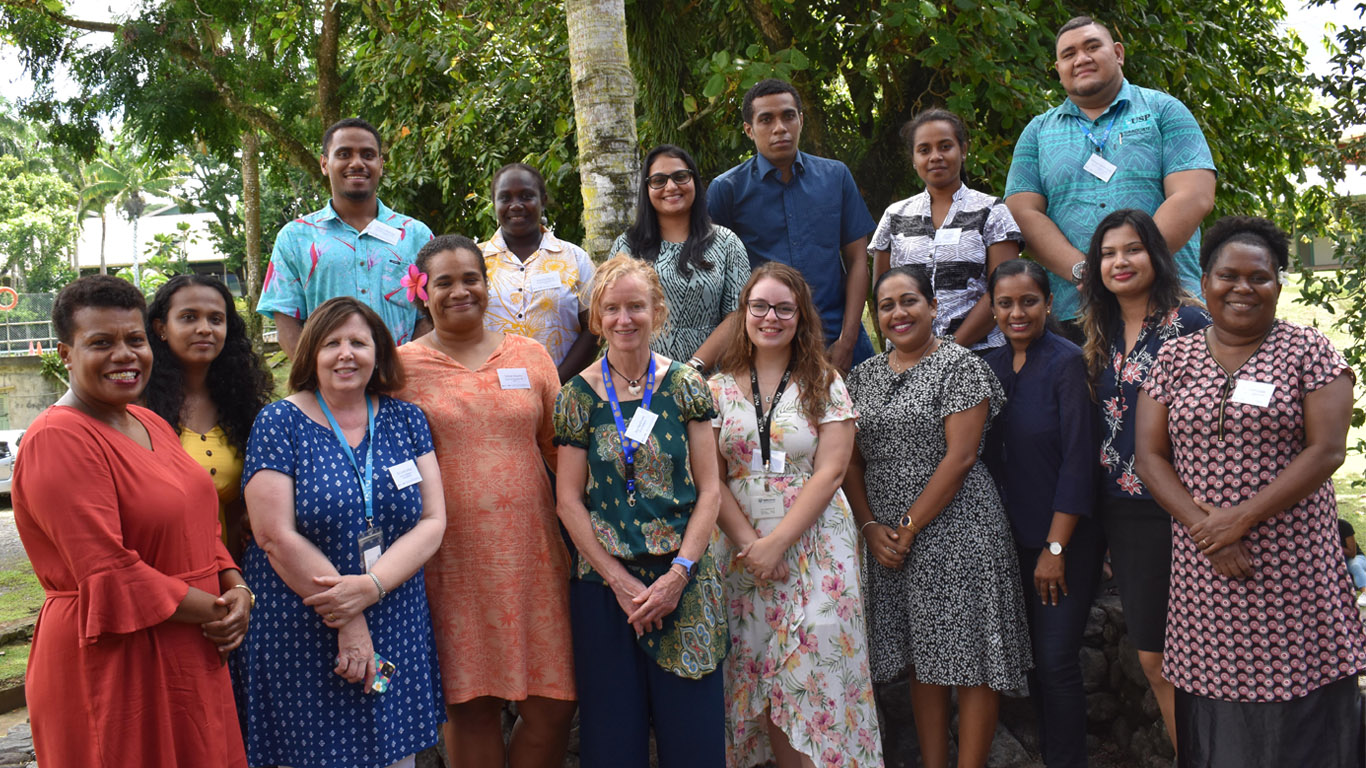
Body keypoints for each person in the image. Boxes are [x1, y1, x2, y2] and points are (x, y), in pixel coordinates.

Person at [1135, 216, 1366, 767]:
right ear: (1205, 281)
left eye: (1258, 277)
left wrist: (1238, 520)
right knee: (1216, 710)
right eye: (1227, 275)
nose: (1242, 288)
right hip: (1206, 570)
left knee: (1302, 703)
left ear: (1278, 284)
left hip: (1293, 569)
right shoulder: (1174, 358)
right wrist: (1206, 528)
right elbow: (1149, 456)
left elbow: (1326, 451)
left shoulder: (1309, 351)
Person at [13, 275, 250, 767]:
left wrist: (237, 588)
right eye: (101, 342)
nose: (125, 355)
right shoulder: (59, 439)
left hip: (190, 644)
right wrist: (217, 611)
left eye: (134, 339)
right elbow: (109, 570)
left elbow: (200, 523)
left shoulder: (151, 422)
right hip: (116, 656)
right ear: (65, 353)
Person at [234, 297, 447, 768]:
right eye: (332, 343)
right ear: (311, 353)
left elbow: (433, 520)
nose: (345, 354)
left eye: (358, 342)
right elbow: (273, 535)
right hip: (302, 623)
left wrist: (370, 587)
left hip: (394, 616)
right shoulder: (279, 423)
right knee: (309, 753)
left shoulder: (407, 420)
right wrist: (349, 616)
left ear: (379, 353)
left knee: (394, 750)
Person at [394, 235, 576, 766]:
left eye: (470, 278)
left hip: (534, 556)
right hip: (451, 562)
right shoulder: (400, 370)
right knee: (470, 705)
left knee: (553, 702)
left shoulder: (530, 355)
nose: (460, 291)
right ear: (422, 291)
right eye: (444, 282)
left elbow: (562, 450)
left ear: (486, 282)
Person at [844, 266, 1031, 768]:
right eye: (886, 305)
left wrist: (906, 528)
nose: (898, 313)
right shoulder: (862, 377)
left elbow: (961, 457)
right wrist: (869, 527)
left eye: (909, 301)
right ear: (876, 316)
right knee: (920, 659)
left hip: (958, 528)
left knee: (971, 660)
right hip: (886, 536)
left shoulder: (961, 367)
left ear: (932, 307)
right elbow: (849, 461)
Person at [552, 254, 727, 767]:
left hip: (684, 585)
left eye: (636, 306)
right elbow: (568, 500)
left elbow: (710, 491)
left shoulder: (687, 386)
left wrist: (678, 575)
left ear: (659, 311)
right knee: (611, 746)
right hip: (606, 591)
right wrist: (618, 580)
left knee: (694, 746)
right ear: (596, 319)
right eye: (611, 309)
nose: (624, 319)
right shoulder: (576, 397)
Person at [709, 262, 883, 767]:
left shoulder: (824, 381)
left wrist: (778, 543)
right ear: (743, 313)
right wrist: (754, 546)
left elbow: (831, 472)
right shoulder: (717, 389)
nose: (770, 317)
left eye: (784, 308)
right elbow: (711, 480)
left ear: (800, 316)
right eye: (759, 306)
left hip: (815, 547)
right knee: (759, 676)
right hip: (743, 551)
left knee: (816, 673)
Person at [1077, 207, 1210, 750]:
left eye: (1131, 249)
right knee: (1155, 658)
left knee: (1206, 656)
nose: (1120, 261)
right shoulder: (1098, 332)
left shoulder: (1191, 324)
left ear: (1155, 253)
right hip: (1125, 513)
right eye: (1108, 254)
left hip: (1186, 508)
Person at [1005, 15, 1216, 341]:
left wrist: (1133, 266)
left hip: (1168, 308)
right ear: (1058, 69)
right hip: (1074, 314)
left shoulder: (1164, 111)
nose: (1081, 59)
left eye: (1092, 47)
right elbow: (1022, 212)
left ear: (1118, 53)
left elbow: (1194, 195)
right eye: (1069, 54)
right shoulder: (1037, 132)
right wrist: (1087, 272)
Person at [982, 260, 1103, 768]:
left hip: (1065, 540)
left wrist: (1055, 549)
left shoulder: (1068, 363)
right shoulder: (983, 365)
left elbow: (1080, 461)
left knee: (1055, 660)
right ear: (991, 308)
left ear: (1049, 303)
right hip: (1008, 539)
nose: (1017, 312)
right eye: (1005, 303)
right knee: (1031, 663)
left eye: (1028, 301)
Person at [708, 78, 878, 371]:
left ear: (800, 119)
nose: (779, 128)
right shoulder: (727, 189)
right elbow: (716, 278)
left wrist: (847, 341)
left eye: (788, 116)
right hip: (768, 345)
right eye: (766, 119)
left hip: (838, 337)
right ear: (749, 130)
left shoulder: (835, 177)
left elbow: (857, 261)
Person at [258, 117, 435, 356]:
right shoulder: (295, 237)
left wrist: (404, 371)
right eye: (343, 154)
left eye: (368, 155)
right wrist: (318, 379)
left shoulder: (416, 235)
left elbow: (431, 313)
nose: (357, 163)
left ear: (381, 165)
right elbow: (286, 321)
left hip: (405, 384)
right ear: (324, 163)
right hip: (328, 387)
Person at [145, 274, 274, 560]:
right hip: (165, 582)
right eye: (189, 317)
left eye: (216, 319)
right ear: (161, 329)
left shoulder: (243, 407)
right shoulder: (136, 409)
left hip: (233, 584)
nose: (205, 329)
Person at [872, 109, 1021, 351]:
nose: (935, 157)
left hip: (980, 355)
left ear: (963, 150)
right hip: (908, 358)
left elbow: (1002, 290)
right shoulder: (894, 216)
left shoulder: (992, 211)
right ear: (913, 158)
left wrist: (948, 351)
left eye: (945, 146)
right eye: (924, 150)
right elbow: (882, 292)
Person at [611, 144, 750, 370]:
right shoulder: (627, 245)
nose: (671, 186)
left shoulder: (726, 242)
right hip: (644, 376)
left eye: (680, 177)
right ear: (646, 189)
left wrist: (692, 369)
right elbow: (616, 314)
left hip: (712, 376)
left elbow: (739, 314)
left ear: (694, 180)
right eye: (659, 180)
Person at [480, 162, 598, 382]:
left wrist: (557, 381)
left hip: (562, 393)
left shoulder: (574, 257)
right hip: (490, 393)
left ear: (543, 200)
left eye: (526, 196)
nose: (516, 205)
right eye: (505, 198)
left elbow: (595, 328)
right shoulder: (474, 260)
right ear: (494, 203)